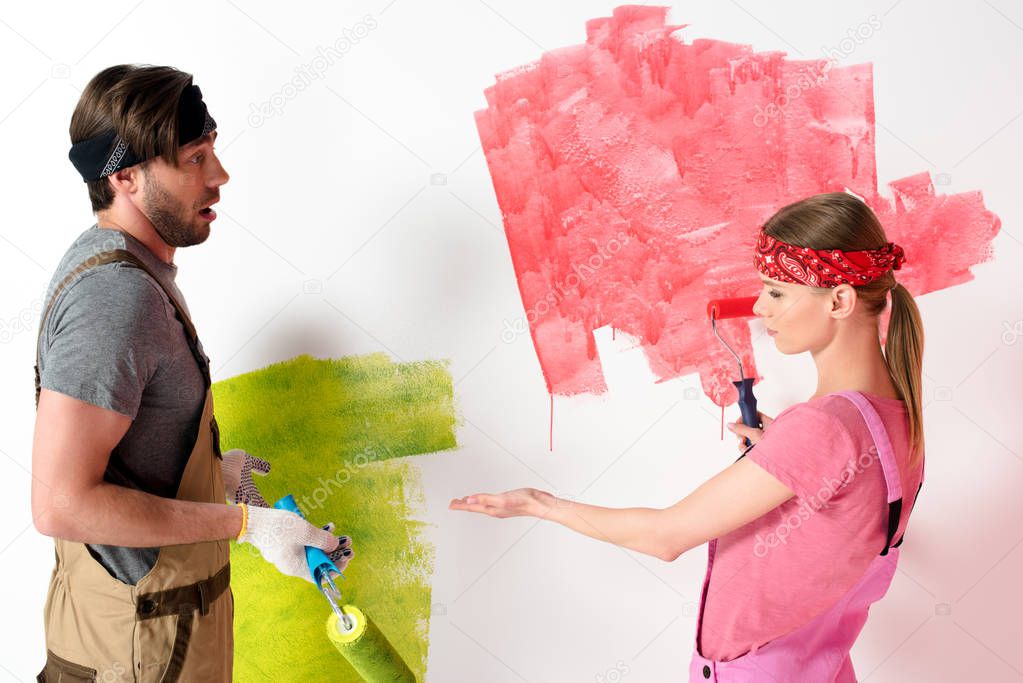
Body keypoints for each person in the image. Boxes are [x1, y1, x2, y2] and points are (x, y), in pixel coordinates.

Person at [451, 192, 925, 681]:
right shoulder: (895, 418)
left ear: (840, 300)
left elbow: (666, 537)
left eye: (777, 292)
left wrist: (541, 505)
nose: (761, 307)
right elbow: (837, 513)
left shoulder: (821, 428)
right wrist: (782, 451)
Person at [31, 64, 352, 682]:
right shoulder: (114, 297)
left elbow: (125, 453)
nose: (219, 175)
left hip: (159, 643)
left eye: (213, 150)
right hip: (136, 657)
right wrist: (248, 524)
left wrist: (210, 476)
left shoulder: (134, 273)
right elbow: (60, 503)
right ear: (124, 176)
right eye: (194, 158)